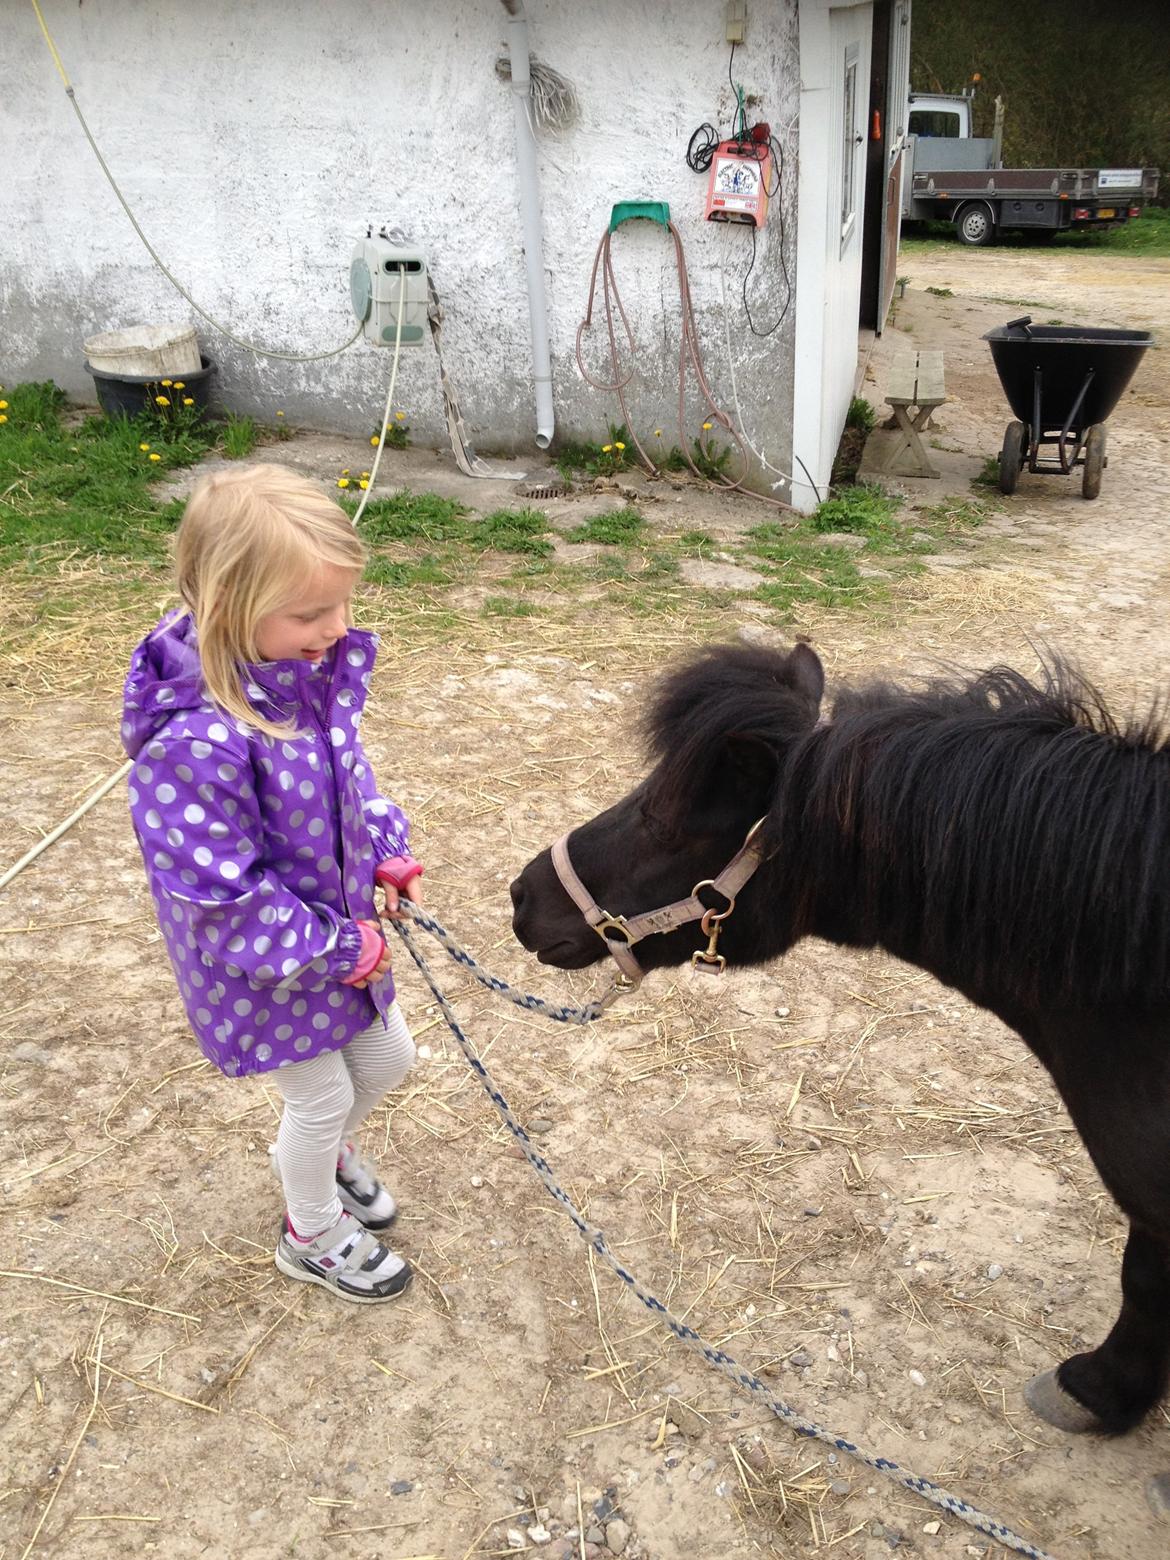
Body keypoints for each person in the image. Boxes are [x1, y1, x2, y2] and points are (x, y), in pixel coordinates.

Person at [121, 464, 423, 1303]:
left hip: (336, 935)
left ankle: (318, 1161)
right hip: (267, 963)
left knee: (390, 1056)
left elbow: (349, 779)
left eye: (342, 605)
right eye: (309, 613)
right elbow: (223, 897)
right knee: (322, 1092)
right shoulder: (192, 741)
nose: (336, 627)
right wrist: (335, 945)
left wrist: (384, 853)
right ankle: (312, 1229)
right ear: (227, 607)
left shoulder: (300, 679)